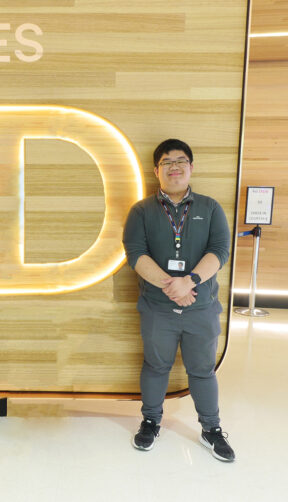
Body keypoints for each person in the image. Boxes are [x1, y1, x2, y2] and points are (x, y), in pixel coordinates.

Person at [122, 138, 235, 462]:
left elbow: (220, 251)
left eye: (181, 161)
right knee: (156, 365)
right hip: (158, 308)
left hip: (201, 307)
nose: (175, 167)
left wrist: (190, 282)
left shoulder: (210, 208)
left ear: (191, 167)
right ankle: (150, 422)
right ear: (156, 170)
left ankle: (211, 429)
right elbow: (136, 253)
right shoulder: (141, 210)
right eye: (167, 162)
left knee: (202, 370)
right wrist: (172, 286)